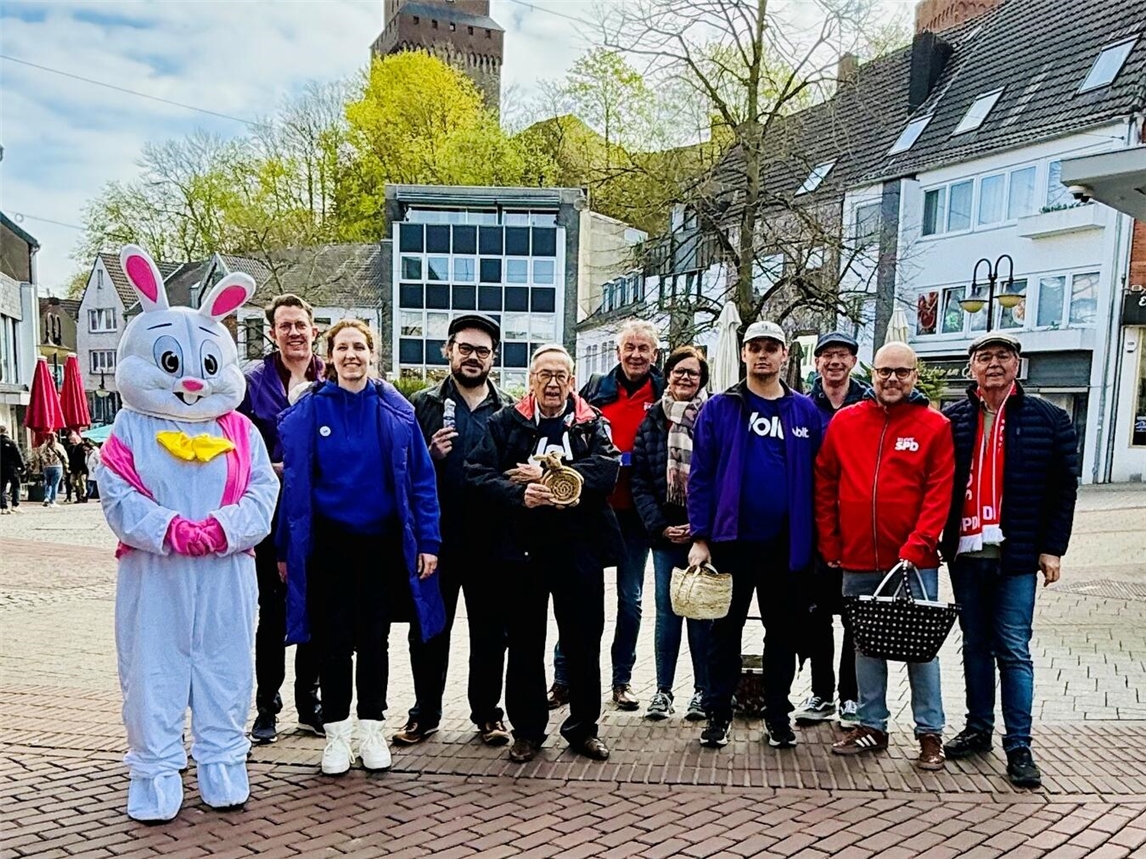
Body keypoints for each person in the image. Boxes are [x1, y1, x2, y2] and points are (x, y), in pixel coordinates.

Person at [97, 245, 277, 822]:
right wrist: (168, 529)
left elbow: (262, 494)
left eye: (203, 365)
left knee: (226, 662)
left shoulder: (242, 431)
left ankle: (224, 761)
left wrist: (221, 530)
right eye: (175, 365)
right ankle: (154, 770)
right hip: (156, 573)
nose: (194, 381)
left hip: (226, 571)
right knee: (153, 664)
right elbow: (117, 494)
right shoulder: (130, 427)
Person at [277, 320, 445, 776]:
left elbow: (421, 482)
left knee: (374, 640)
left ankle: (371, 727)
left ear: (373, 354)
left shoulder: (397, 411)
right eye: (342, 347)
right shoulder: (310, 412)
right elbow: (293, 489)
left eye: (359, 347)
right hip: (329, 544)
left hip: (381, 544)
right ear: (328, 356)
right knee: (333, 642)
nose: (351, 355)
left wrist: (428, 540)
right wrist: (283, 550)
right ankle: (335, 734)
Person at [468, 344, 621, 763]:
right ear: (531, 379)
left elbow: (608, 469)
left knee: (584, 644)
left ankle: (583, 728)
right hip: (522, 553)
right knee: (523, 644)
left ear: (572, 381)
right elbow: (477, 473)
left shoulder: (591, 425)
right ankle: (528, 730)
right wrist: (520, 493)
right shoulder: (505, 423)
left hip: (579, 552)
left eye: (561, 376)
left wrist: (555, 477)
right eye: (544, 375)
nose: (553, 383)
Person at [941, 332, 1079, 788]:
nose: (994, 364)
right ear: (971, 368)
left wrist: (1052, 547)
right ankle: (978, 727)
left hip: (1017, 555)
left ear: (1017, 364)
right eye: (985, 357)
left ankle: (1018, 744)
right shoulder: (953, 419)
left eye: (1003, 356)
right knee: (974, 646)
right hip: (966, 553)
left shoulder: (1049, 418)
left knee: (1013, 650)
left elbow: (1063, 490)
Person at [817, 342, 954, 770]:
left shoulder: (934, 426)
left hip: (913, 560)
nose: (892, 379)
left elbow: (939, 491)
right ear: (872, 374)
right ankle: (871, 723)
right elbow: (825, 481)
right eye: (884, 372)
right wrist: (831, 541)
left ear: (915, 375)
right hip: (856, 555)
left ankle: (930, 732)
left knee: (920, 648)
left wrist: (920, 543)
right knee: (865, 646)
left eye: (901, 372)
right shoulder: (845, 421)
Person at [688, 321, 822, 749]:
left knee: (783, 633)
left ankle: (777, 713)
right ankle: (718, 712)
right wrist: (700, 535)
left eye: (771, 348)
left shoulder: (804, 411)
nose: (762, 355)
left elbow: (820, 480)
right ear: (743, 354)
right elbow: (701, 475)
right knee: (723, 632)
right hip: (731, 541)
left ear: (785, 355)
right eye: (754, 348)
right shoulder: (720, 408)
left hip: (787, 543)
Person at [394, 313, 512, 748]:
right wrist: (429, 453)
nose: (473, 357)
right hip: (436, 541)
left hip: (490, 541)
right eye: (465, 348)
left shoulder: (509, 411)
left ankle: (487, 714)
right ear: (449, 350)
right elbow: (398, 471)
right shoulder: (421, 405)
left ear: (493, 358)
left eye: (482, 351)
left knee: (490, 633)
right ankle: (424, 714)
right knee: (429, 630)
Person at [548, 320, 664, 712]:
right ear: (618, 353)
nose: (635, 355)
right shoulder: (594, 390)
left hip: (637, 515)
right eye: (629, 347)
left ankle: (622, 679)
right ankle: (563, 678)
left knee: (629, 600)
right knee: (576, 596)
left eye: (643, 349)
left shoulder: (664, 394)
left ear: (654, 354)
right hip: (592, 511)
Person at [237, 294, 325, 744]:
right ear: (272, 332)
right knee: (271, 614)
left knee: (315, 609)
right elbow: (235, 445)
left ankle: (309, 704)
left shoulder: (332, 379)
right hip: (271, 516)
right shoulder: (251, 384)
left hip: (322, 515)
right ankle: (267, 707)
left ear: (314, 329)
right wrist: (269, 467)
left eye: (301, 325)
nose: (294, 332)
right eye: (285, 325)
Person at [631, 345, 712, 722]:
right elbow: (641, 482)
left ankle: (702, 692)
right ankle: (663, 692)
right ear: (668, 375)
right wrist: (661, 527)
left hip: (703, 536)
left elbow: (719, 478)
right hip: (665, 533)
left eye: (692, 373)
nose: (684, 378)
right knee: (667, 614)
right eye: (678, 371)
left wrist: (702, 532)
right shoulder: (651, 421)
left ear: (702, 380)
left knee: (700, 615)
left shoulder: (713, 419)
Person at [795, 331, 870, 727]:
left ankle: (851, 696)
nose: (834, 362)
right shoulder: (804, 407)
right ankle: (822, 693)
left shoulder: (871, 404)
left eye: (841, 355)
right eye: (827, 356)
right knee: (816, 614)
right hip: (813, 525)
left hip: (859, 527)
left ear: (853, 361)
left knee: (856, 615)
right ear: (817, 362)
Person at [34, 431, 69, 507]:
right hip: (57, 466)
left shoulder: (42, 447)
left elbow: (37, 456)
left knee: (48, 483)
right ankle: (52, 501)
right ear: (56, 437)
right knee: (55, 484)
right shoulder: (59, 446)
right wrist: (66, 466)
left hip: (46, 467)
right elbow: (64, 457)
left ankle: (46, 497)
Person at [0, 424, 24, 514]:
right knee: (16, 485)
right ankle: (15, 505)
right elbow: (18, 456)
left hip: (1, 468)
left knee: (1, 487)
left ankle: (3, 507)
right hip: (12, 467)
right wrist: (22, 467)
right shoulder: (12, 442)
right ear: (7, 432)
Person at [66, 431, 89, 503]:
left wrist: (83, 469)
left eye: (72, 438)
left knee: (81, 483)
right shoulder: (71, 448)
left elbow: (83, 459)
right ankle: (80, 495)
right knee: (73, 482)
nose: (71, 440)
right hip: (74, 469)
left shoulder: (81, 447)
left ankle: (82, 497)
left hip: (81, 468)